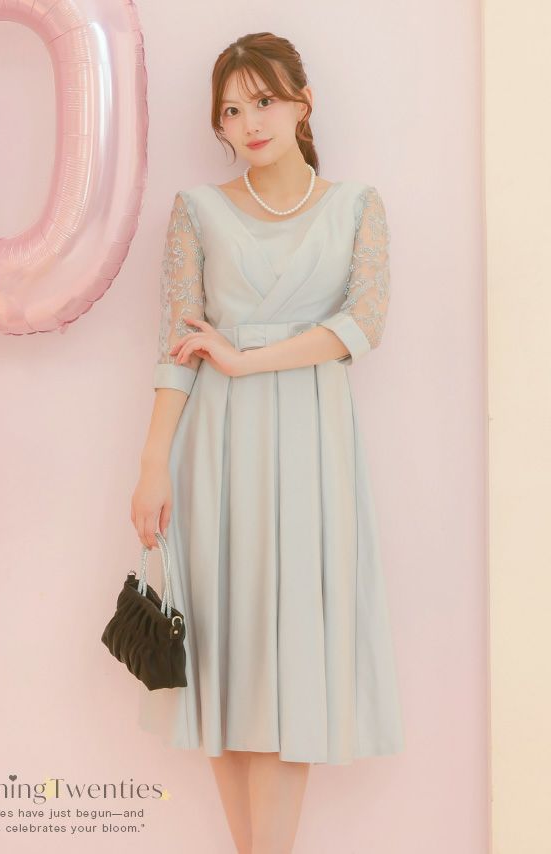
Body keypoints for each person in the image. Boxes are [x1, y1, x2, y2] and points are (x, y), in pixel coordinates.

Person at [131, 31, 404, 854]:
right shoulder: (196, 211)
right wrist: (152, 467)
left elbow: (362, 325)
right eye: (231, 110)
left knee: (294, 662)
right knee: (226, 662)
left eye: (264, 100)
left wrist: (247, 359)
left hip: (313, 450)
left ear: (302, 102)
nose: (249, 122)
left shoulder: (357, 205)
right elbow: (175, 350)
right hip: (218, 452)